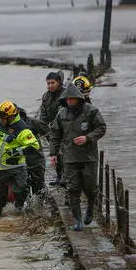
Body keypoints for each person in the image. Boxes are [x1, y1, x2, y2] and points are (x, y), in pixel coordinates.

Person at [49, 83, 106, 231]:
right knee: (73, 189)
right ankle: (77, 219)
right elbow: (55, 134)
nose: (69, 102)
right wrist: (53, 153)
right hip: (70, 157)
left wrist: (88, 138)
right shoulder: (61, 114)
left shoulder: (91, 111)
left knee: (90, 188)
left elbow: (101, 128)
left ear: (78, 99)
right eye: (67, 99)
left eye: (72, 99)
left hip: (89, 157)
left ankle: (90, 208)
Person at [0, 100, 40, 218]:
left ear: (11, 117)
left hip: (16, 167)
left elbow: (34, 146)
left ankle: (20, 214)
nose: (1, 120)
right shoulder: (0, 122)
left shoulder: (22, 129)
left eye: (3, 118)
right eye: (0, 117)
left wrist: (17, 151)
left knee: (21, 190)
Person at [17, 106, 50, 199]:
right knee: (24, 188)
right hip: (21, 163)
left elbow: (48, 132)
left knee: (39, 187)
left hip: (36, 161)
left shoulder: (33, 122)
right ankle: (29, 209)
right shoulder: (10, 126)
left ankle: (46, 207)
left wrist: (55, 151)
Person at [39, 71, 65, 186]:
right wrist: (42, 127)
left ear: (59, 82)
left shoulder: (65, 95)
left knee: (65, 154)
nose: (50, 85)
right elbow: (43, 115)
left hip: (65, 130)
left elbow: (66, 112)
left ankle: (66, 177)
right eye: (48, 83)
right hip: (51, 132)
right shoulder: (46, 96)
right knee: (55, 154)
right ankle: (59, 177)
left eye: (52, 83)